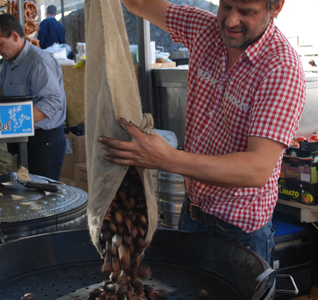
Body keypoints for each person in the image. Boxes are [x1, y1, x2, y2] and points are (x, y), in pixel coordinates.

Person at [97, 0, 306, 263]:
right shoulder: (205, 29)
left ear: (275, 7)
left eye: (246, 12)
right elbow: (138, 3)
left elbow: (257, 169)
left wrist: (167, 159)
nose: (230, 21)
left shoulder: (281, 67)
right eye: (226, 6)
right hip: (192, 215)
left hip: (240, 235)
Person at [0, 13, 67, 181]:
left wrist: (7, 120)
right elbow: (4, 92)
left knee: (44, 199)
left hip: (44, 141)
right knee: (27, 194)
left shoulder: (39, 62)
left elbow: (52, 102)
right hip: (23, 140)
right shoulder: (8, 63)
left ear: (14, 36)